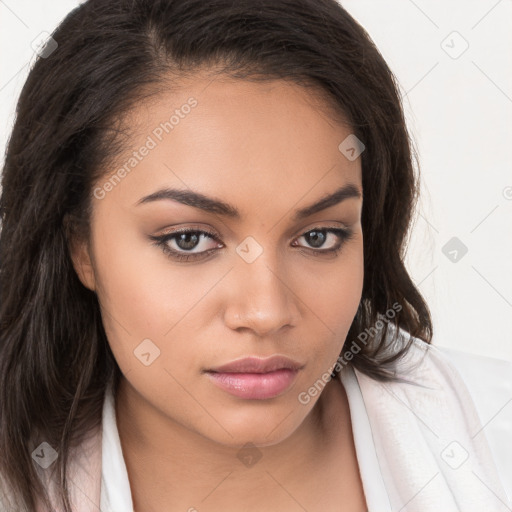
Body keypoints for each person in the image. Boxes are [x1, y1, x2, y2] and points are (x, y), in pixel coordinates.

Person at [0, 1, 510, 511]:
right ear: (80, 247)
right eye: (189, 240)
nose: (266, 312)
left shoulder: (495, 434)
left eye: (318, 237)